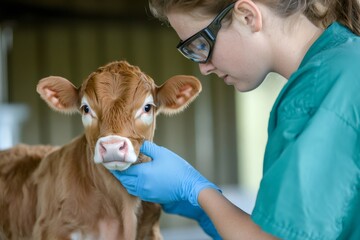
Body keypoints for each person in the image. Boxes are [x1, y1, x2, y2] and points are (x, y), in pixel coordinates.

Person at [111, 0, 360, 239]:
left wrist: (196, 190)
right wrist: (206, 209)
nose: (203, 67)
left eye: (200, 44)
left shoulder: (319, 90)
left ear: (247, 16)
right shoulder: (343, 64)